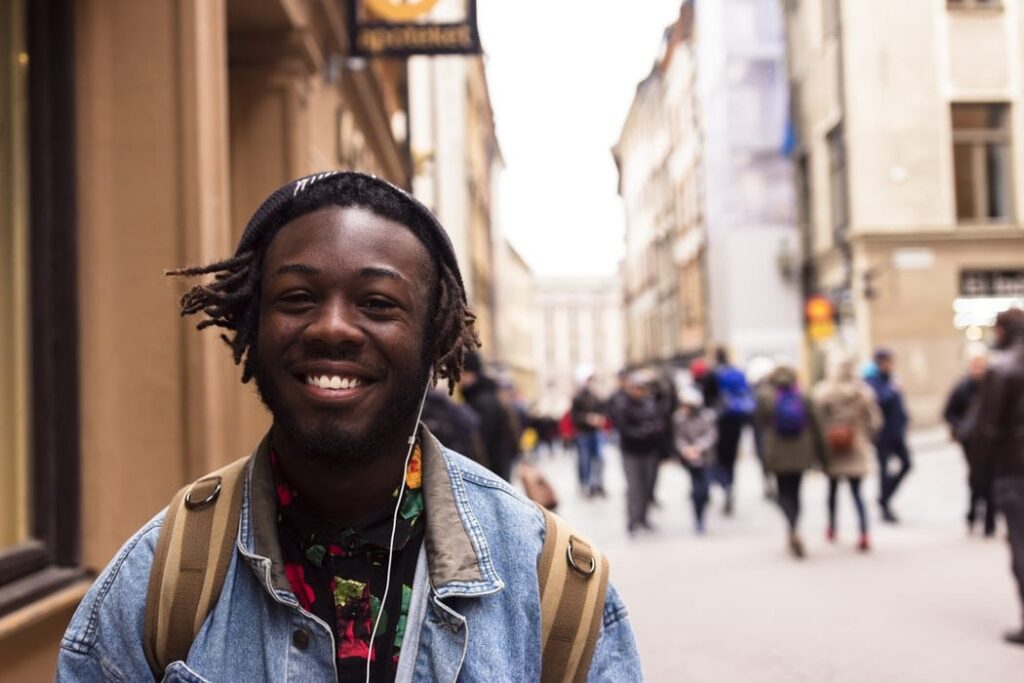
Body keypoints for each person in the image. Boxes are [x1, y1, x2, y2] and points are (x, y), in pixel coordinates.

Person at [55, 172, 641, 680]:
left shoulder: (554, 593)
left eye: (378, 303)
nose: (333, 327)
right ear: (252, 326)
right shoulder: (159, 585)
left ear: (435, 338)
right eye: (298, 297)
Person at [972, 307, 1024, 646]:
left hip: (1015, 470)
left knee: (1021, 544)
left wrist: (979, 475)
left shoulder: (1003, 369)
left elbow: (987, 430)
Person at [813, 354, 882, 552]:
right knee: (857, 493)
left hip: (832, 447)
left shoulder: (824, 391)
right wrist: (864, 436)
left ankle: (832, 528)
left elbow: (817, 421)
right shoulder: (862, 392)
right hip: (856, 445)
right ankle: (864, 533)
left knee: (832, 491)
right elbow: (875, 421)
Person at [755, 366, 823, 558]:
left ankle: (791, 526)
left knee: (783, 492)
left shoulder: (766, 397)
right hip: (801, 452)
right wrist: (822, 456)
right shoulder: (802, 395)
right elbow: (817, 424)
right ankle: (795, 528)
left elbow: (758, 424)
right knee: (796, 492)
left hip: (777, 453)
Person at [943, 348, 994, 536]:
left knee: (989, 478)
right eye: (976, 366)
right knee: (976, 478)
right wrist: (962, 426)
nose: (979, 370)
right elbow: (949, 412)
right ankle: (973, 515)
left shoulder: (995, 385)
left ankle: (989, 521)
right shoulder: (962, 387)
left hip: (990, 440)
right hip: (970, 441)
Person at [608, 370, 664, 535]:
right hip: (631, 450)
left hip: (649, 450)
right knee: (634, 487)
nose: (638, 391)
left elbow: (658, 421)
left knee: (648, 485)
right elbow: (622, 426)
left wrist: (650, 430)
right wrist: (641, 431)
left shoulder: (650, 402)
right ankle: (633, 520)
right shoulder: (622, 403)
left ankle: (644, 517)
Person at [865, 347, 911, 523]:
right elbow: (879, 401)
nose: (891, 365)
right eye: (889, 361)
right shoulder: (872, 380)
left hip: (896, 432)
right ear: (881, 362)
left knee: (907, 464)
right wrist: (892, 390)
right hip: (882, 434)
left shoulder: (891, 379)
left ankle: (884, 496)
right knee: (884, 470)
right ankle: (884, 505)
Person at [708, 348, 755, 515]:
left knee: (719, 458)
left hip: (718, 422)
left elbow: (708, 399)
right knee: (731, 458)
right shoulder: (737, 372)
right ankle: (730, 489)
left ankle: (724, 485)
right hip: (735, 421)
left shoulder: (713, 374)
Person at [460, 351, 520, 483]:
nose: (460, 379)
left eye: (464, 373)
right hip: (500, 465)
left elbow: (483, 440)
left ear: (472, 373)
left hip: (491, 468)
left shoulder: (482, 400)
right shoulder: (491, 393)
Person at [673, 387, 717, 535]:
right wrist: (686, 449)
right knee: (696, 489)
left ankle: (702, 509)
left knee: (704, 489)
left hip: (705, 457)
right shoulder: (679, 418)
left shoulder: (708, 416)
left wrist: (698, 448)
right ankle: (698, 518)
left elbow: (711, 435)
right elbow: (679, 437)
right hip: (689, 459)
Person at [570, 373, 607, 497]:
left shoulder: (595, 396)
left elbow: (603, 411)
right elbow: (574, 417)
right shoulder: (578, 397)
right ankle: (585, 484)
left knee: (599, 459)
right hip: (583, 433)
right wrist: (586, 418)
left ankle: (597, 484)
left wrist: (599, 419)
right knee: (584, 460)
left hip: (596, 432)